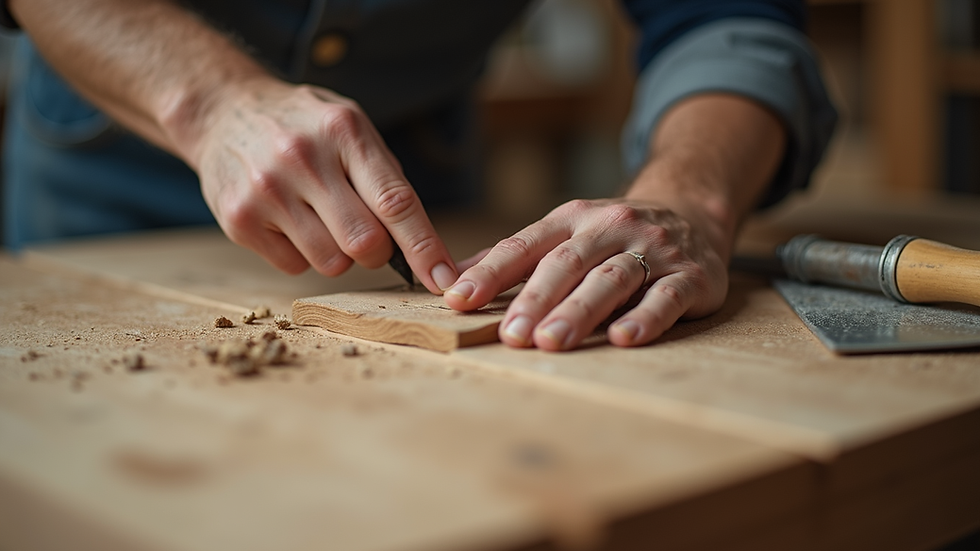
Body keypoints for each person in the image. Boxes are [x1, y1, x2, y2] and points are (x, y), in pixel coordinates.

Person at [1, 0, 836, 351]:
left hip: (440, 205)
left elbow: (727, 16)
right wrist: (210, 102)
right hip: (95, 199)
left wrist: (691, 193)